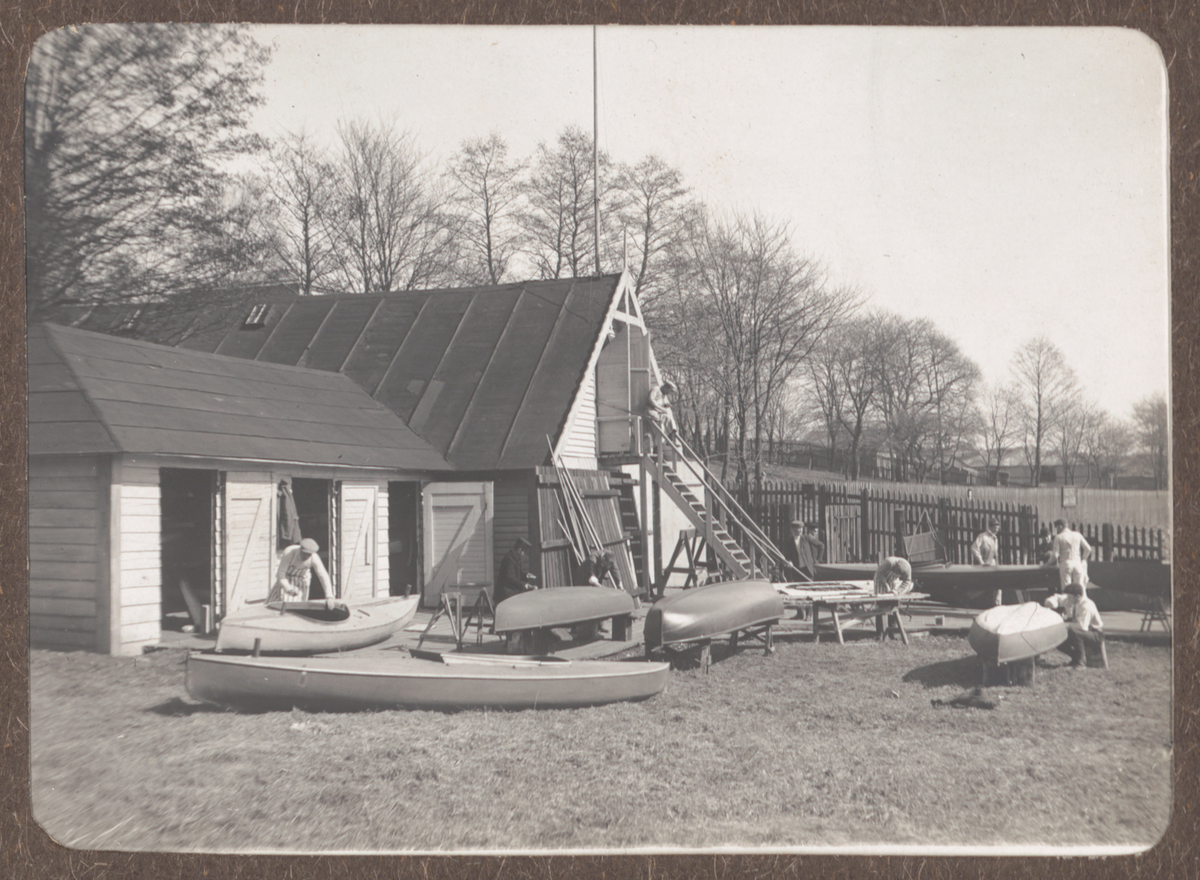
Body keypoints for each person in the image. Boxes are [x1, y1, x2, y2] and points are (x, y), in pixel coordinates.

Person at [1044, 579, 1104, 667]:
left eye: (1069, 597)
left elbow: (1082, 627)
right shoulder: (1075, 600)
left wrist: (1063, 625)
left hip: (1096, 634)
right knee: (1058, 638)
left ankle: (1081, 663)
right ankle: (1075, 658)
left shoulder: (1086, 606)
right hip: (1084, 631)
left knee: (1074, 632)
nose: (1068, 599)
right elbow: (1059, 598)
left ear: (1078, 596)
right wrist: (1051, 602)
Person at [269, 537, 335, 606]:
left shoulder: (314, 558)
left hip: (301, 581)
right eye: (304, 553)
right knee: (279, 603)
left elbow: (323, 576)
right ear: (300, 549)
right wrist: (288, 588)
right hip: (286, 579)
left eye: (309, 555)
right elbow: (281, 574)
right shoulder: (289, 552)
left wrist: (329, 596)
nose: (306, 556)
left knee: (298, 605)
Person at [1052, 518, 1093, 595]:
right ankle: (1081, 606)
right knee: (1080, 589)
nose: (1057, 529)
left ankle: (1068, 606)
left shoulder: (1058, 537)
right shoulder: (1077, 535)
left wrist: (1047, 563)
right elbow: (1088, 549)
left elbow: (1055, 555)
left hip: (1065, 564)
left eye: (1057, 527)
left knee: (1066, 590)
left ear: (1060, 526)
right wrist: (1083, 559)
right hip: (1077, 564)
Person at [495, 537, 538, 605]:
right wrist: (524, 585)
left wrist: (526, 575)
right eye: (523, 552)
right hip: (505, 594)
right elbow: (510, 578)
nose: (524, 555)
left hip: (511, 591)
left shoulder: (515, 558)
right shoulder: (509, 559)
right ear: (519, 550)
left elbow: (518, 575)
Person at [971, 518, 1002, 605]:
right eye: (995, 527)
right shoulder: (982, 536)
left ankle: (997, 605)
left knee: (998, 584)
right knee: (983, 586)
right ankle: (967, 599)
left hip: (992, 565)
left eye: (998, 527)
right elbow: (974, 548)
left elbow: (995, 554)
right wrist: (981, 561)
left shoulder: (995, 538)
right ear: (991, 527)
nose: (997, 529)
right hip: (984, 565)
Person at [644, 380, 679, 457]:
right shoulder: (656, 389)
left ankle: (671, 437)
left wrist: (666, 405)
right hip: (651, 411)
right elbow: (651, 400)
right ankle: (657, 447)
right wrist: (660, 408)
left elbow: (664, 404)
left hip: (659, 412)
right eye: (669, 390)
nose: (668, 393)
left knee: (669, 420)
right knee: (660, 427)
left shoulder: (664, 395)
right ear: (666, 387)